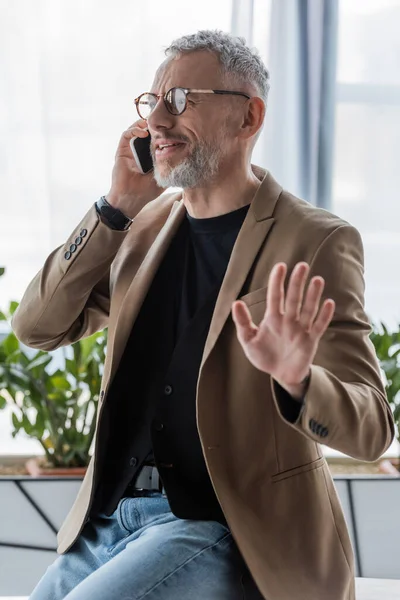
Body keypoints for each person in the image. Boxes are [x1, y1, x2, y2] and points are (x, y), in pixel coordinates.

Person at [13, 30, 394, 600]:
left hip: (219, 528)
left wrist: (297, 380)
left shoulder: (315, 240)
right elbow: (37, 327)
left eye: (181, 99)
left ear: (248, 118)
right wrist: (114, 208)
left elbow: (373, 429)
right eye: (152, 103)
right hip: (107, 524)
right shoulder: (139, 228)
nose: (157, 122)